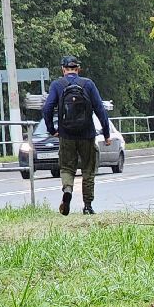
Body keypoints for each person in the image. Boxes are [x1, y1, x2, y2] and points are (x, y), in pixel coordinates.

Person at [41, 54, 111, 215]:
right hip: (87, 134)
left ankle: (68, 190)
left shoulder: (57, 85)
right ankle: (88, 206)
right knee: (88, 170)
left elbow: (47, 109)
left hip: (66, 135)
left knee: (67, 167)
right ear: (78, 69)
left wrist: (52, 129)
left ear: (63, 69)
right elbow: (100, 110)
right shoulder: (88, 84)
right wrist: (106, 133)